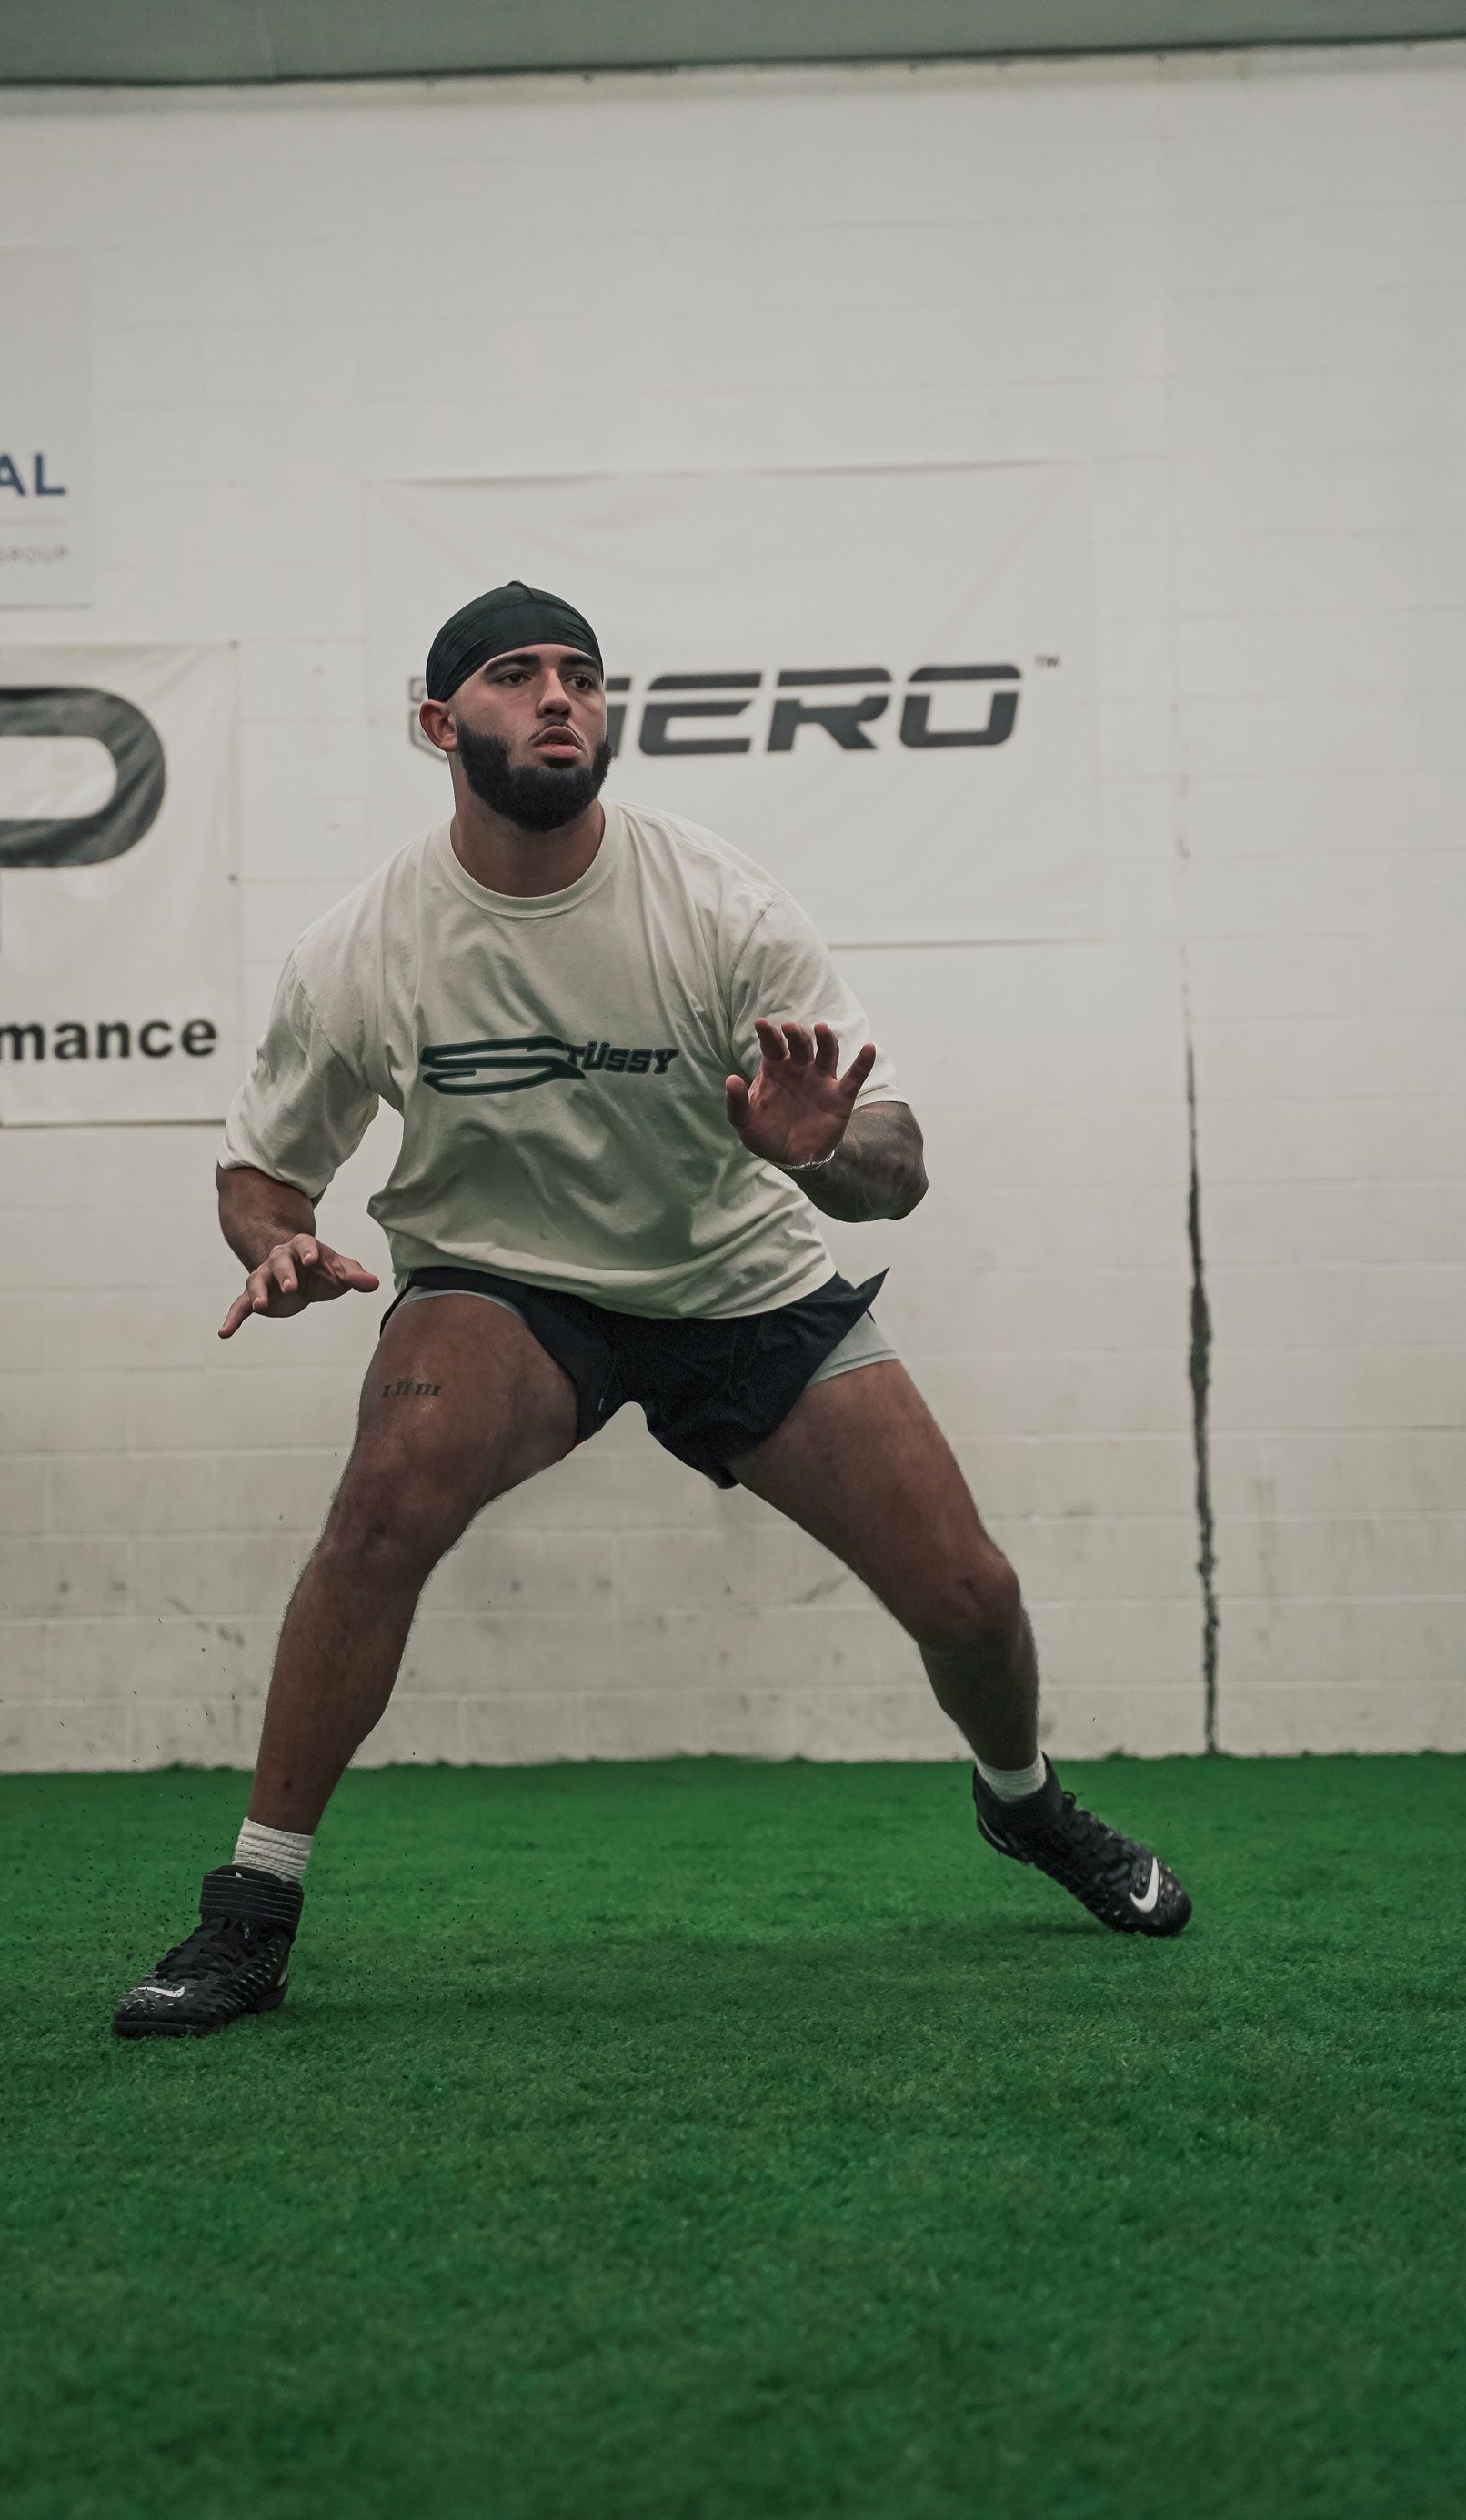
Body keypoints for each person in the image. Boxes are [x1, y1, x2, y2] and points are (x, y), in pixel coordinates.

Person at [114, 580, 1190, 2039]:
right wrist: (279, 1242)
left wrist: (824, 1152)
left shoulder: (719, 904)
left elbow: (901, 1167)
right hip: (502, 1284)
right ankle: (249, 1911)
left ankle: (1022, 1803)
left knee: (973, 1599)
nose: (558, 697)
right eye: (514, 676)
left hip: (736, 1279)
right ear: (440, 724)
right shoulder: (361, 948)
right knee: (380, 1505)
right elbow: (261, 1169)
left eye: (581, 676)